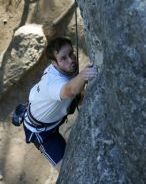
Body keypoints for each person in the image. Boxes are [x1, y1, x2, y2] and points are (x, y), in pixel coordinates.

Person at [23, 37, 97, 172]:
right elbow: (70, 90)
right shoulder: (53, 82)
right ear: (54, 63)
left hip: (50, 114)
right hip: (41, 131)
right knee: (67, 170)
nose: (71, 60)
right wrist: (83, 75)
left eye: (71, 54)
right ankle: (26, 113)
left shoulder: (63, 69)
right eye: (63, 58)